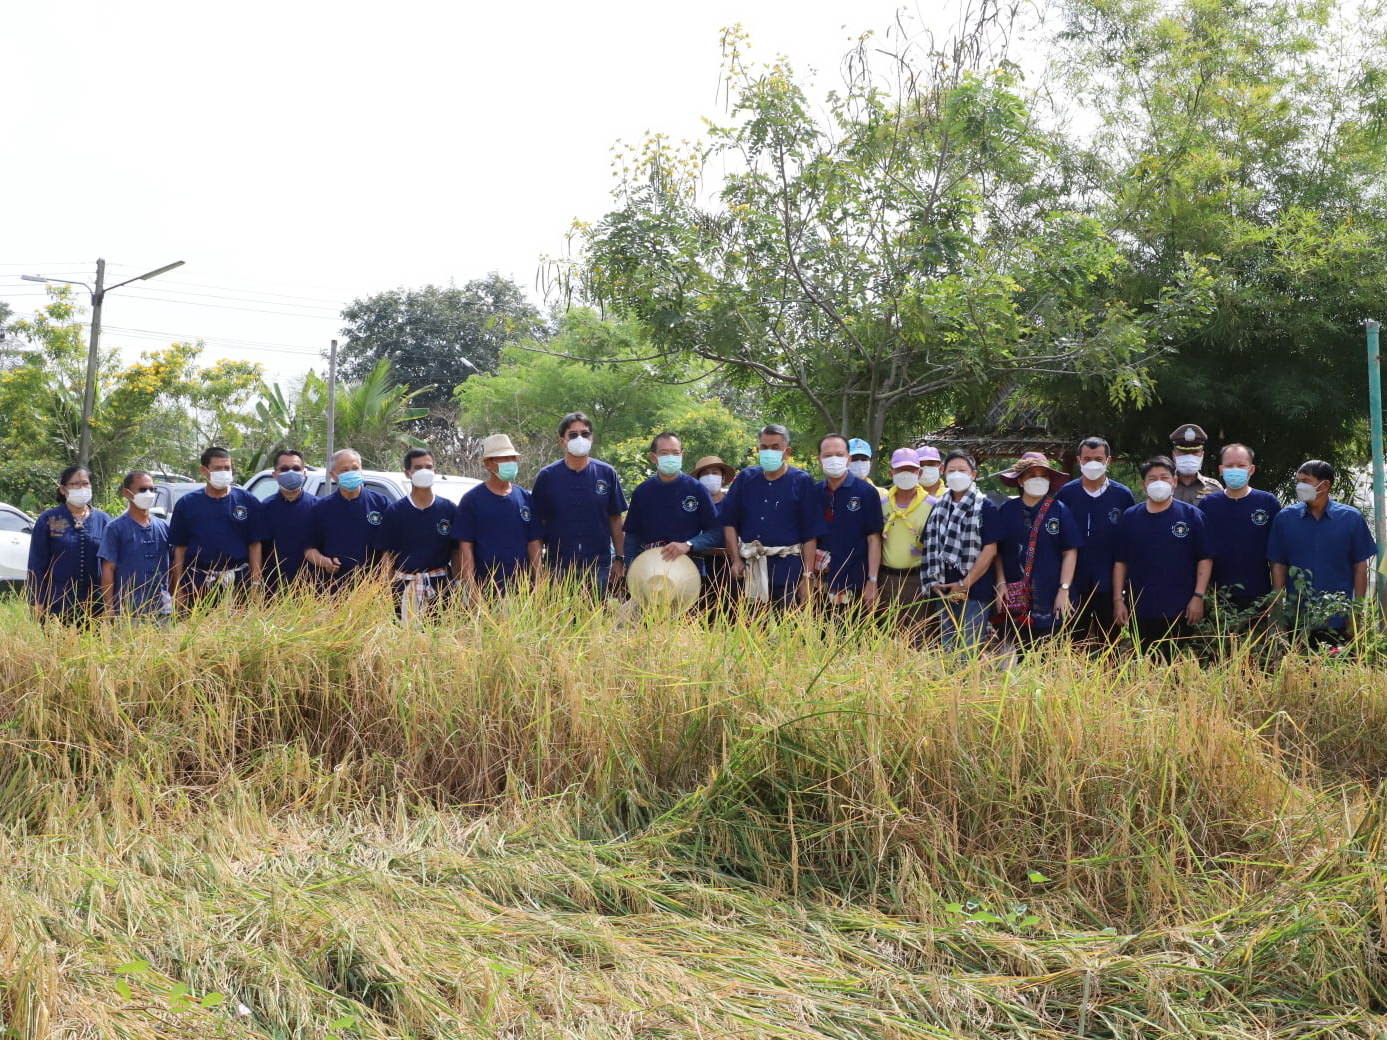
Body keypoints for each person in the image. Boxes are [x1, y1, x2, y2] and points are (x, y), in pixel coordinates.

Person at [1267, 459, 1378, 645]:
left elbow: (1360, 567)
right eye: (1298, 481)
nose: (1300, 486)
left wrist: (1356, 614)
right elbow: (1278, 565)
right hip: (1297, 618)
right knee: (1298, 671)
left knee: (1339, 670)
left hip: (1340, 618)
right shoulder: (1286, 519)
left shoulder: (1350, 518)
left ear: (1325, 484)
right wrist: (1276, 613)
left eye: (1305, 481)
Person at [1113, 456, 1213, 652]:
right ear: (1143, 485)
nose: (1159, 482)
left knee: (1178, 667)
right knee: (1145, 664)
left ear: (1174, 482)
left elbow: (1205, 558)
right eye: (1152, 478)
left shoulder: (1191, 516)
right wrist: (1118, 600)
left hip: (1182, 608)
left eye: (1164, 477)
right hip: (1141, 607)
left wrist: (1198, 596)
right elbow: (1120, 562)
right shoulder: (1130, 517)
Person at [721, 424, 820, 607]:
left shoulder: (801, 481)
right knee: (749, 627)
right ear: (758, 449)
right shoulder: (745, 478)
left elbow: (810, 533)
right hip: (750, 568)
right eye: (764, 448)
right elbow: (729, 522)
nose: (769, 452)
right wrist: (735, 560)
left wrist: (807, 576)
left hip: (788, 569)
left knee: (786, 628)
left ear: (787, 451)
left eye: (775, 447)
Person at [530, 411, 628, 596]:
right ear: (562, 441)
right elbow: (537, 525)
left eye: (585, 434)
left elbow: (616, 518)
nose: (580, 438)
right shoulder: (548, 476)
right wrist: (538, 569)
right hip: (558, 568)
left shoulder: (606, 473)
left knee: (597, 621)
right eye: (573, 435)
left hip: (599, 566)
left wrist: (620, 559)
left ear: (592, 438)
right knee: (559, 622)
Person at [994, 452, 1081, 648]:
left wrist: (1064, 590)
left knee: (1049, 656)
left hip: (1051, 595)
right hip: (1014, 598)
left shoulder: (1059, 510)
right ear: (1021, 481)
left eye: (1043, 475)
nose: (1038, 480)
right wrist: (1000, 583)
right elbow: (997, 551)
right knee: (1017, 655)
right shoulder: (1006, 510)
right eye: (1032, 475)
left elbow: (1070, 552)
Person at [919, 451, 1002, 651]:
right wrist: (934, 582)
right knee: (948, 647)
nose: (957, 474)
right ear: (943, 473)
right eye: (951, 470)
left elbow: (990, 550)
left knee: (969, 648)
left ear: (973, 474)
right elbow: (929, 546)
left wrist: (964, 584)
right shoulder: (938, 507)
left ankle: (970, 683)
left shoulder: (985, 507)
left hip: (975, 590)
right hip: (944, 591)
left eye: (962, 470)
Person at [1056, 436, 1135, 643]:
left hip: (1110, 584)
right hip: (1074, 583)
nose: (1093, 463)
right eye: (1087, 458)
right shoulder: (1066, 494)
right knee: (1073, 643)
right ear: (1079, 460)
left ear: (1108, 461)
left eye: (1098, 458)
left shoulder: (1122, 495)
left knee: (1110, 643)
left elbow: (1128, 541)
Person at [169, 446, 265, 608]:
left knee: (237, 631)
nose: (224, 472)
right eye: (218, 468)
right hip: (198, 583)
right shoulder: (187, 504)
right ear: (204, 470)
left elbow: (255, 545)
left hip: (238, 582)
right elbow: (179, 549)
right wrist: (178, 588)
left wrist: (256, 584)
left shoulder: (247, 501)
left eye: (227, 468)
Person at [622, 432, 720, 584]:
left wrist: (688, 545)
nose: (670, 457)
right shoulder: (642, 492)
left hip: (688, 572)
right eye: (664, 453)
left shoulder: (697, 489)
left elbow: (716, 532)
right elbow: (632, 536)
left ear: (682, 455)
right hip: (650, 572)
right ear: (653, 457)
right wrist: (630, 570)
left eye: (675, 453)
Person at [456, 434, 543, 595]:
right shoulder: (472, 501)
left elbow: (534, 542)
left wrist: (539, 582)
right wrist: (472, 590)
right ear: (488, 464)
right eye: (504, 458)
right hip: (486, 589)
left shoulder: (525, 498)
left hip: (523, 591)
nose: (510, 462)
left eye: (512, 458)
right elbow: (465, 548)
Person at [1197, 443, 1280, 611]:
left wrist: (1276, 595)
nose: (1235, 470)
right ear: (1220, 469)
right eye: (1229, 466)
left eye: (1241, 465)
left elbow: (1277, 554)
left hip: (1259, 594)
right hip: (1217, 596)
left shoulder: (1268, 502)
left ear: (1251, 469)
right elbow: (1202, 553)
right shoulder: (1208, 504)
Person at [379, 449, 458, 620]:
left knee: (440, 639)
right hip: (404, 587)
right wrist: (387, 592)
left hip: (441, 586)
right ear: (408, 473)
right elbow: (387, 557)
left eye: (428, 467)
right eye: (418, 467)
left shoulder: (448, 509)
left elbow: (457, 551)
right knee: (405, 639)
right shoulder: (395, 511)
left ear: (434, 471)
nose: (424, 471)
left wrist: (459, 585)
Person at [26, 464, 112, 623]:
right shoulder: (50, 519)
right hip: (57, 604)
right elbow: (36, 564)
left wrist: (111, 603)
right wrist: (36, 600)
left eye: (85, 484)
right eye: (75, 484)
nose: (82, 488)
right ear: (63, 489)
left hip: (95, 606)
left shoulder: (104, 520)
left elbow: (111, 564)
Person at [814, 433, 883, 607]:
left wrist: (872, 581)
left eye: (839, 455)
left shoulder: (866, 492)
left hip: (855, 582)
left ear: (848, 459)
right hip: (820, 582)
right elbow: (809, 538)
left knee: (853, 633)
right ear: (819, 460)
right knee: (815, 633)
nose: (834, 460)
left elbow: (874, 539)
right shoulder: (814, 493)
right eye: (828, 456)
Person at [305, 449, 389, 587]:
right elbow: (309, 549)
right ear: (333, 475)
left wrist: (385, 581)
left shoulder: (381, 504)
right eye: (344, 470)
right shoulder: (321, 508)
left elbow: (390, 548)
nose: (351, 473)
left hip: (371, 589)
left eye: (355, 468)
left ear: (361, 470)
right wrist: (325, 562)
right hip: (332, 588)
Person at [98, 469, 172, 618]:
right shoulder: (115, 528)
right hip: (128, 610)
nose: (148, 494)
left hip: (162, 608)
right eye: (142, 490)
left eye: (152, 489)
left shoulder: (164, 527)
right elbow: (108, 569)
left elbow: (174, 565)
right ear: (127, 493)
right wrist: (109, 608)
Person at [878, 448, 932, 630]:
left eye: (911, 470)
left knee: (919, 635)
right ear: (891, 473)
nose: (906, 474)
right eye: (901, 470)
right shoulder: (882, 505)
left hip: (918, 580)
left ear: (920, 473)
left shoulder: (933, 505)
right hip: (886, 579)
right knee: (888, 634)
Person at [260, 448, 318, 592]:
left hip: (312, 589)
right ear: (275, 474)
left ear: (304, 473)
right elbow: (257, 550)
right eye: (284, 469)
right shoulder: (263, 509)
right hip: (272, 589)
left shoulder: (319, 507)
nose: (291, 472)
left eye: (296, 468)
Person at [690, 455, 737, 608]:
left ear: (723, 478)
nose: (710, 476)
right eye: (705, 473)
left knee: (729, 609)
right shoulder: (691, 504)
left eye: (715, 472)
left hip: (729, 564)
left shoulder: (732, 502)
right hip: (697, 563)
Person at [1169, 423, 1222, 505]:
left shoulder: (1214, 488)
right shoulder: (1166, 486)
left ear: (1202, 455)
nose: (1189, 457)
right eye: (1184, 452)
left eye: (1194, 452)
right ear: (1174, 455)